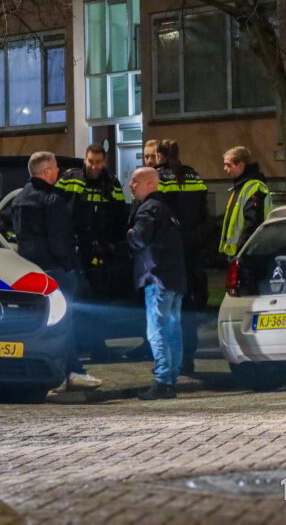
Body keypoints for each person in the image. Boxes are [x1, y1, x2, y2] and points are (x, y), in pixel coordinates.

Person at [12, 151, 102, 391]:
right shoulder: (53, 200)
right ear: (46, 172)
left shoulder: (19, 199)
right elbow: (60, 241)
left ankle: (60, 371)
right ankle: (70, 372)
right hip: (56, 271)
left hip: (29, 272)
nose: (59, 173)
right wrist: (70, 267)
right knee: (64, 323)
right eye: (55, 169)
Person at [56, 144, 128, 359]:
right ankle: (75, 345)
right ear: (84, 160)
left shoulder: (111, 183)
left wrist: (114, 243)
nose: (94, 166)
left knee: (100, 299)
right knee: (76, 298)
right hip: (76, 249)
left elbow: (119, 215)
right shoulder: (70, 179)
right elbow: (57, 209)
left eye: (98, 162)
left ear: (104, 162)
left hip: (102, 250)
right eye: (90, 161)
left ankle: (98, 346)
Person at [127, 167, 187, 400]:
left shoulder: (149, 209)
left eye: (136, 181)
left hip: (156, 277)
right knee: (172, 329)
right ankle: (171, 378)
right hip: (174, 278)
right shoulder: (166, 208)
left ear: (151, 184)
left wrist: (130, 232)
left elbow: (138, 239)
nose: (131, 185)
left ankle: (163, 380)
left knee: (157, 330)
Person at [154, 139, 208, 376]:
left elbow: (157, 214)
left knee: (167, 309)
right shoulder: (193, 176)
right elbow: (204, 213)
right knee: (189, 308)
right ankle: (188, 358)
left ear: (159, 156)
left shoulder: (159, 178)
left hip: (171, 253)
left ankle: (169, 361)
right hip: (193, 251)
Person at [219, 146, 272, 259]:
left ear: (241, 165)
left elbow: (253, 223)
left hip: (247, 253)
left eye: (228, 165)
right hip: (240, 252)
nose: (225, 168)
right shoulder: (242, 186)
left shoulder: (253, 187)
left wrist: (241, 248)